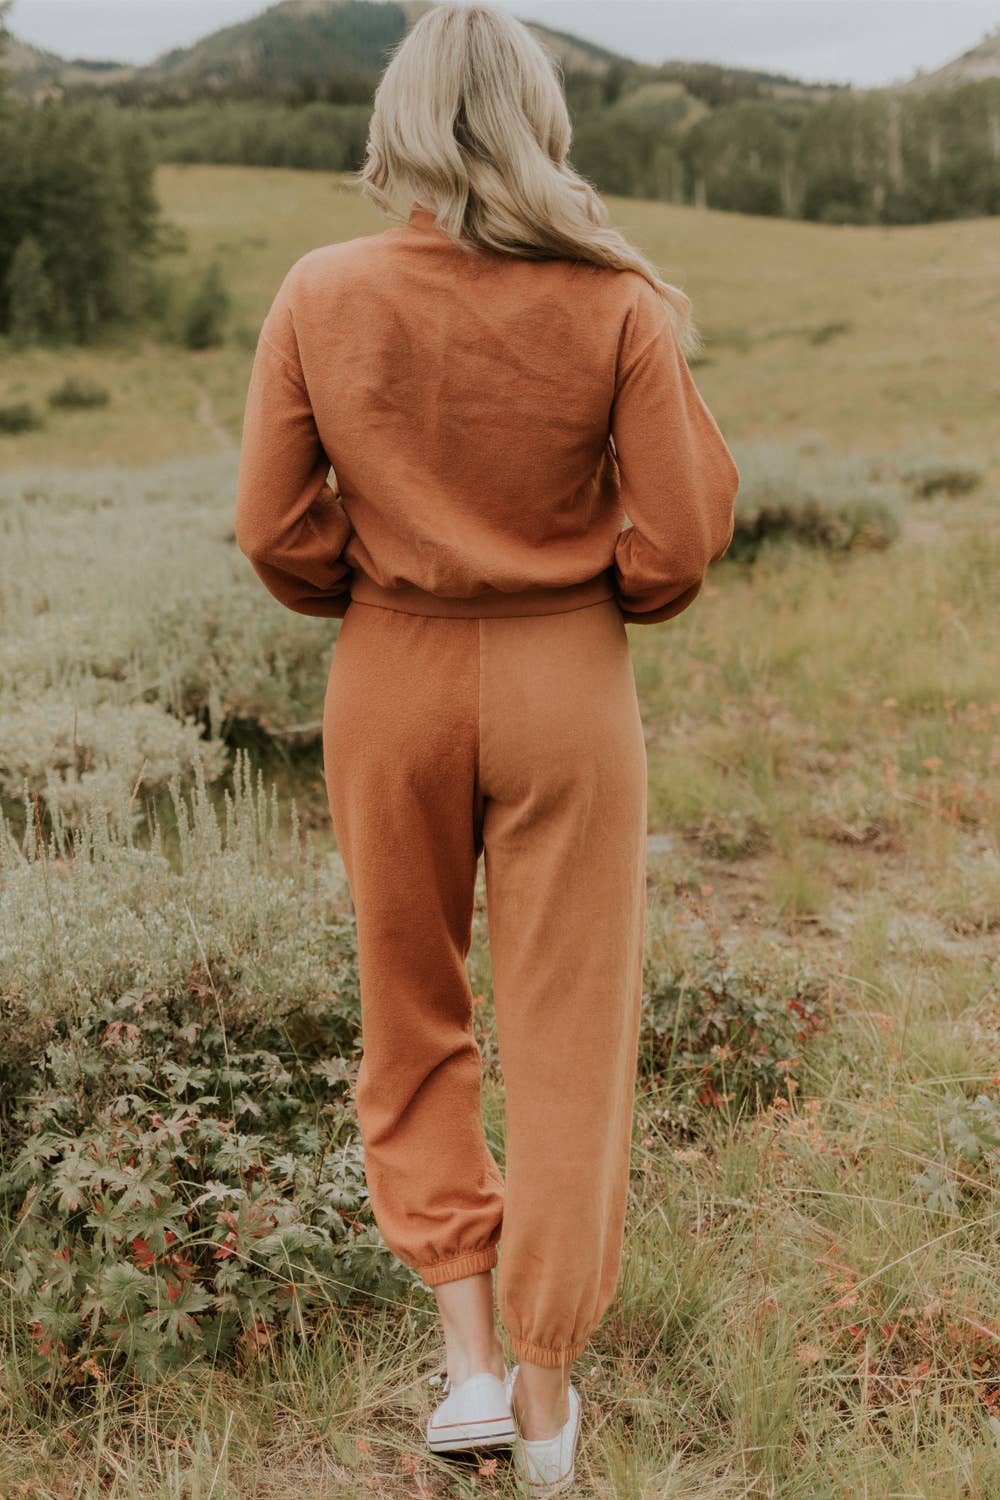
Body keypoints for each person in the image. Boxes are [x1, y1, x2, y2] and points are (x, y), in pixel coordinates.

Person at [233, 3, 740, 1491]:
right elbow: (682, 539)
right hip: (565, 679)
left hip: (389, 672)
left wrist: (377, 586)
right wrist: (587, 595)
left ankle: (462, 1360)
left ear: (398, 122)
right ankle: (543, 1394)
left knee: (411, 1007)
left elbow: (271, 526)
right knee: (571, 1031)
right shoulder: (617, 299)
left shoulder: (322, 288)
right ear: (539, 119)